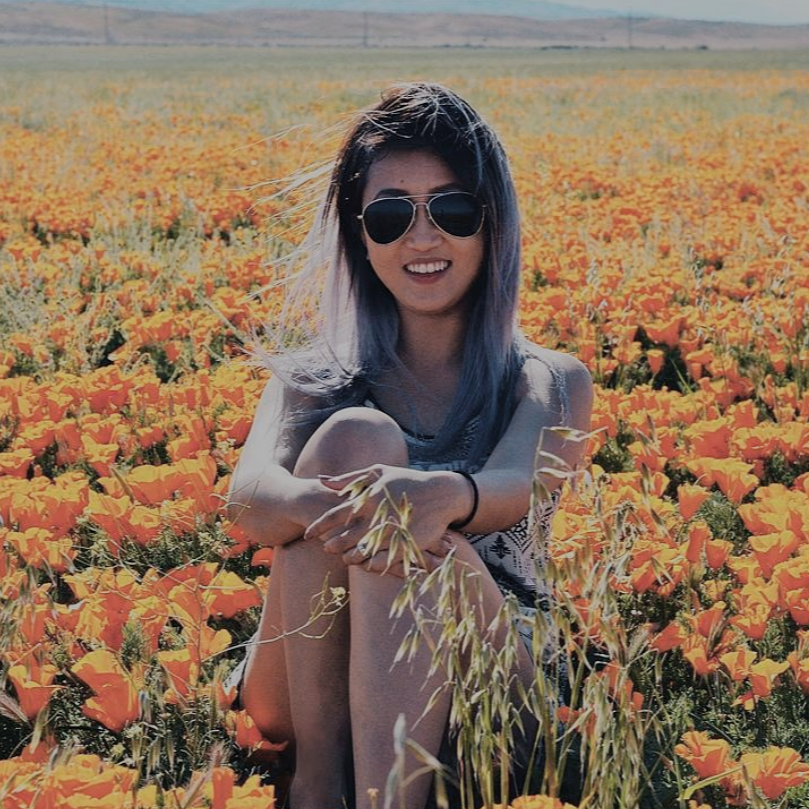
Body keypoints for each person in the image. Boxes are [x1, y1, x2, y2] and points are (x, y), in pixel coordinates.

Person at [226, 82, 593, 809]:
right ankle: (322, 781)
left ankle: (380, 797)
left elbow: (516, 483)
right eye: (391, 215)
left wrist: (438, 498)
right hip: (304, 688)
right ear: (360, 235)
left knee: (404, 520)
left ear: (493, 225)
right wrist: (333, 500)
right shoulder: (312, 375)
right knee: (353, 444)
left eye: (452, 209)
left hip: (488, 683)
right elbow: (249, 502)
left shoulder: (546, 378)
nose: (422, 238)